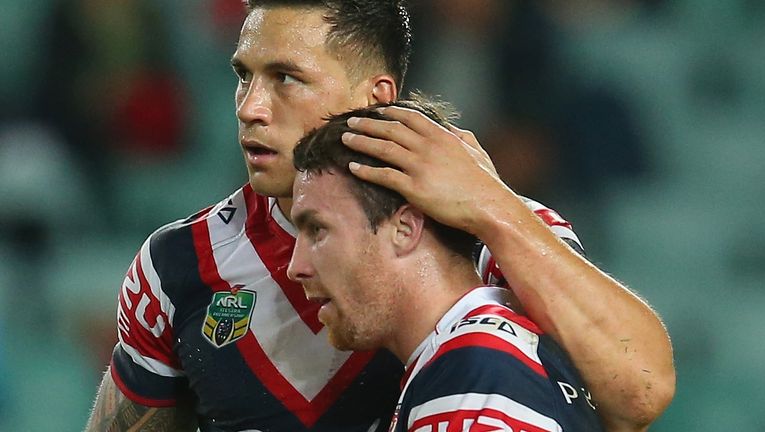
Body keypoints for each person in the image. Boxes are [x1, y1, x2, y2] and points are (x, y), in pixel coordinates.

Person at [85, 1, 674, 431]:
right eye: (244, 75)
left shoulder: (490, 235)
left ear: (375, 98)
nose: (251, 108)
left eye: (286, 77)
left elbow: (640, 393)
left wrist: (495, 204)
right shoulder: (176, 267)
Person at [288, 98, 605, 431]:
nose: (296, 266)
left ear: (405, 229)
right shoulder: (482, 350)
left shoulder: (474, 375)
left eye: (317, 230)